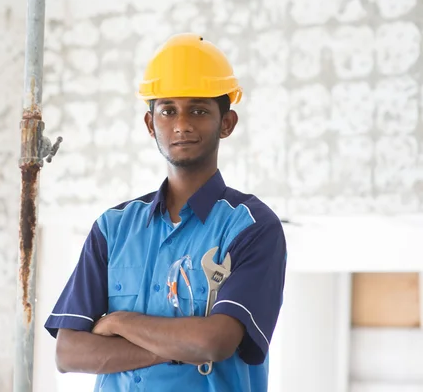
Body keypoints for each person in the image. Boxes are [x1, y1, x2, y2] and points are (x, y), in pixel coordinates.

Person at [44, 33, 287, 392]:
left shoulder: (251, 227)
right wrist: (178, 344)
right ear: (149, 123)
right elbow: (69, 352)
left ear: (227, 123)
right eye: (168, 110)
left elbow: (214, 342)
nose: (182, 124)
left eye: (199, 110)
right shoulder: (113, 228)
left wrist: (121, 322)